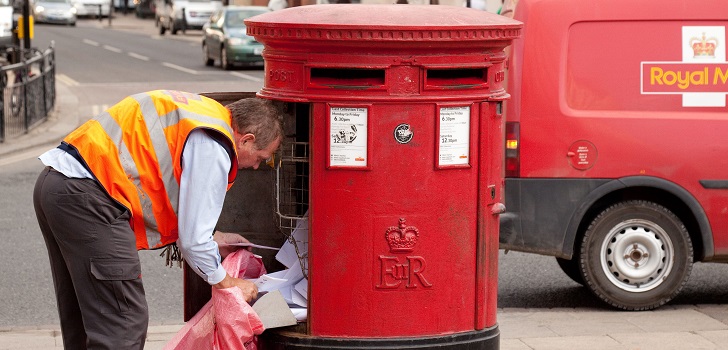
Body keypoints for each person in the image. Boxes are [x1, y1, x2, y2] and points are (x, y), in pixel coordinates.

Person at [32, 90, 284, 349]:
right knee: (123, 323)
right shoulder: (216, 144)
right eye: (261, 157)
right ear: (246, 140)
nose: (255, 166)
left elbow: (170, 190)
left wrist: (213, 238)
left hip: (57, 183)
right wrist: (228, 282)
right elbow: (194, 243)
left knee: (86, 318)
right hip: (89, 198)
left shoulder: (204, 115)